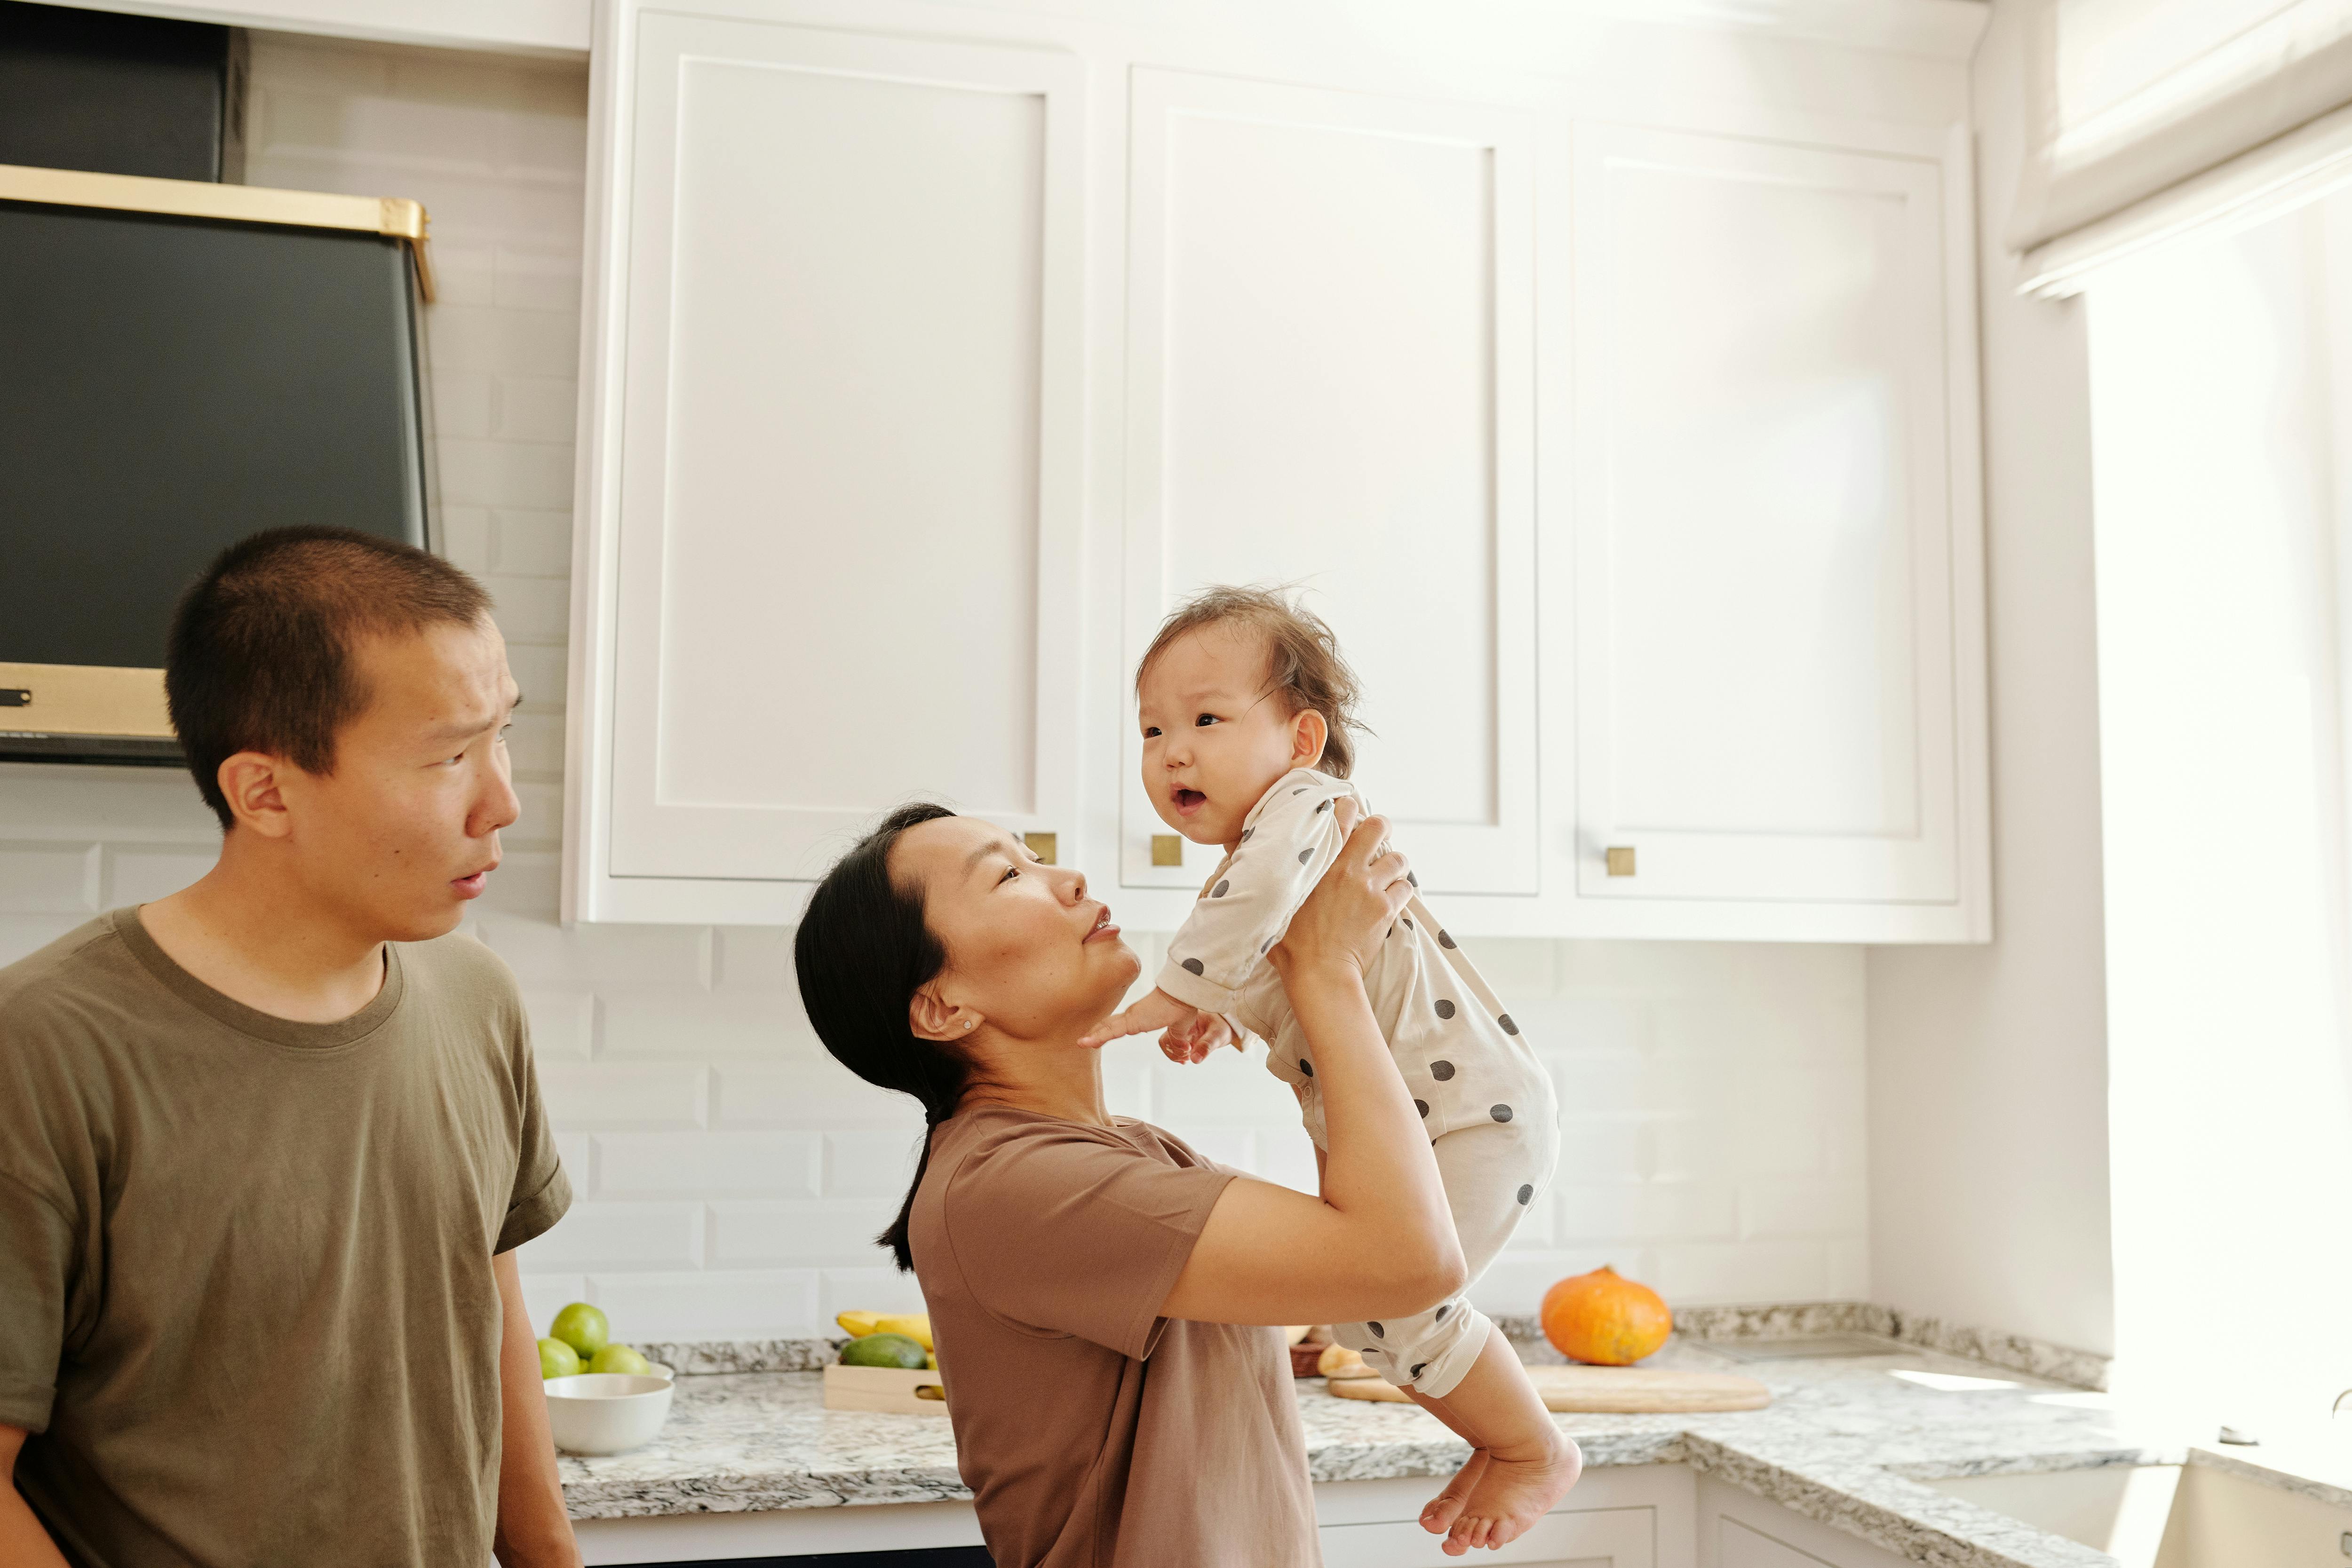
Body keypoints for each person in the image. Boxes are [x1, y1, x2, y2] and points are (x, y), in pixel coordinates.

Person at [0, 526, 579, 1568]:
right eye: (450, 753)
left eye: (500, 734)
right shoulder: (45, 1045)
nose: (503, 798)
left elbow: (492, 1325)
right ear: (264, 791)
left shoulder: (476, 997)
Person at [795, 798, 1478, 1566]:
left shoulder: (1130, 1151)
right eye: (1009, 874)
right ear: (943, 1006)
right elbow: (1407, 1259)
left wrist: (1296, 999)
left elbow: (1360, 1254)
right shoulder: (1019, 1185)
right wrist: (1325, 973)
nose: (1067, 877)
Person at [1082, 586, 1575, 1552]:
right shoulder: (1271, 853)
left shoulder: (1309, 809)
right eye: (1150, 728)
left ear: (1302, 740)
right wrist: (1222, 1010)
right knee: (1378, 1302)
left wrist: (1180, 991)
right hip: (1418, 1120)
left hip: (1470, 1111)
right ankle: (1504, 1438)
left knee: (1391, 1294)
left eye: (1206, 718)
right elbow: (1284, 952)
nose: (1172, 749)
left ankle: (1532, 1446)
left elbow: (1259, 901)